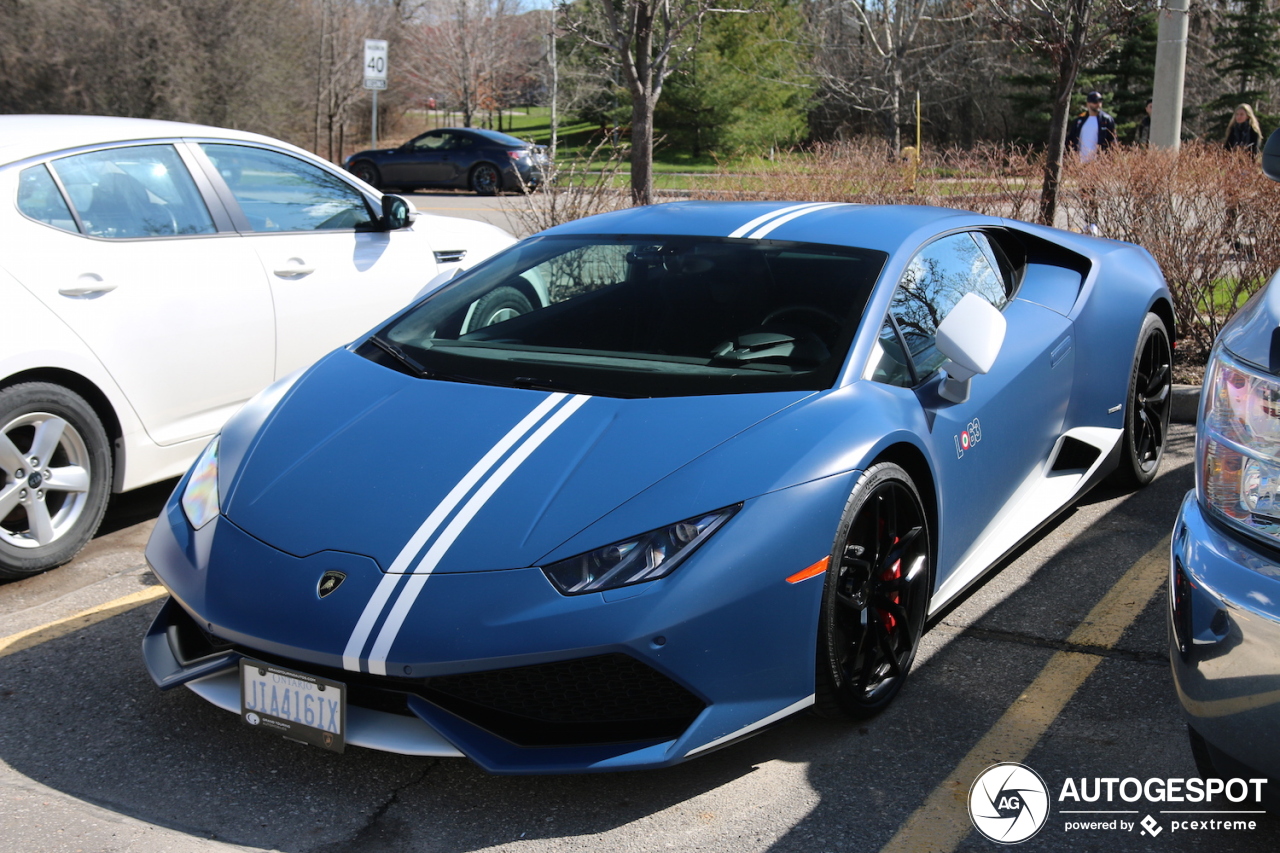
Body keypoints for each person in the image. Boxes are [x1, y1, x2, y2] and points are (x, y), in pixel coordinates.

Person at [1066, 91, 1117, 162]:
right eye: (1095, 102)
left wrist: (1109, 158)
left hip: (1099, 162)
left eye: (1100, 102)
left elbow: (1112, 141)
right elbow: (1071, 139)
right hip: (1079, 162)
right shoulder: (1079, 120)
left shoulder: (1106, 120)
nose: (1098, 104)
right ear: (1088, 104)